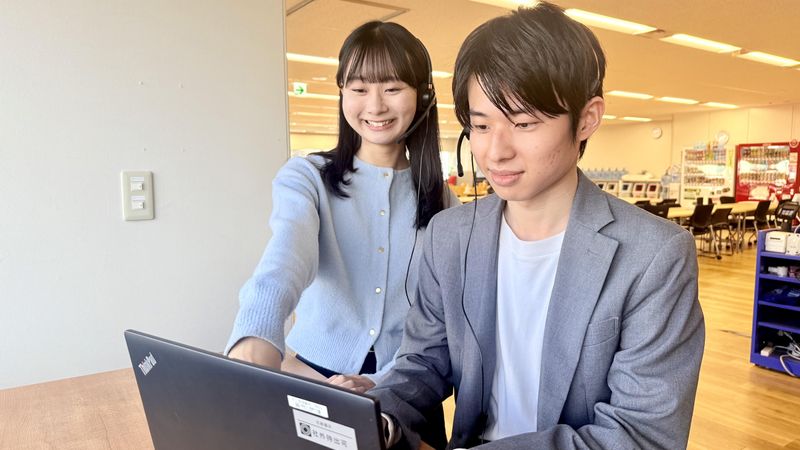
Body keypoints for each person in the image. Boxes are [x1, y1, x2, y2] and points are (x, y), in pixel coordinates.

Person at [370, 3, 705, 449]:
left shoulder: (654, 256)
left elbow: (642, 436)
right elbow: (423, 362)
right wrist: (378, 415)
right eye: (481, 125)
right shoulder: (449, 236)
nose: (495, 152)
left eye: (524, 123)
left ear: (587, 119)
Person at [225, 19, 455, 408]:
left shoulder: (443, 201)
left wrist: (380, 383)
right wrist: (254, 338)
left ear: (423, 95)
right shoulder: (307, 177)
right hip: (311, 378)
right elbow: (284, 260)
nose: (375, 106)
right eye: (359, 89)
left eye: (392, 88)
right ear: (342, 93)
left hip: (409, 389)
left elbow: (442, 323)